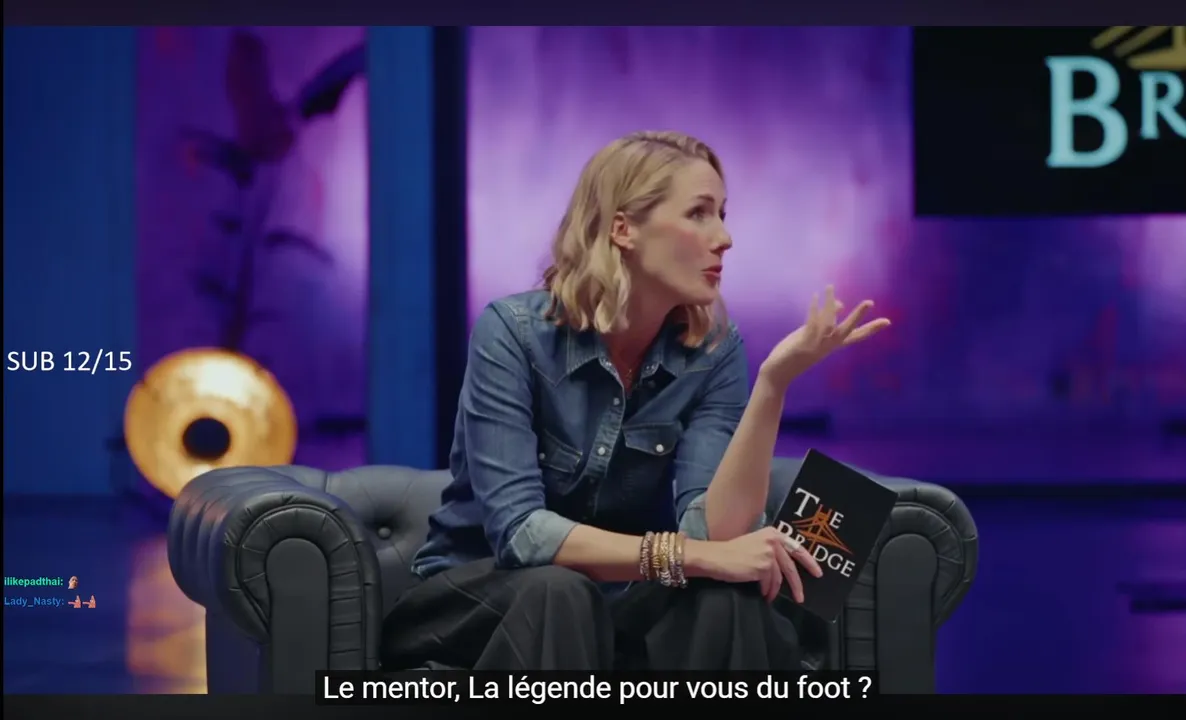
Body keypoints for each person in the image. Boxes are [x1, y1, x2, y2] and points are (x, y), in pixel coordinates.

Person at [381, 130, 891, 672]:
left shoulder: (714, 352)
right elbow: (521, 535)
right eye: (698, 213)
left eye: (722, 214)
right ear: (623, 229)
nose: (724, 238)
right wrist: (692, 556)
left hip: (620, 601)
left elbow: (718, 534)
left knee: (724, 599)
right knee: (559, 590)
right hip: (480, 598)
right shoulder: (512, 333)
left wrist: (773, 385)